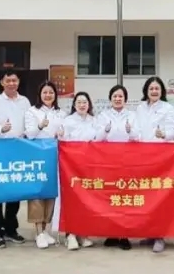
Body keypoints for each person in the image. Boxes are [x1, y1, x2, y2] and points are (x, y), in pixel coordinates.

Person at [0, 71, 30, 247]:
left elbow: (29, 122)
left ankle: (11, 229)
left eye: (14, 80)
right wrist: (0, 129)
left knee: (15, 190)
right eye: (8, 80)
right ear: (2, 82)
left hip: (19, 149)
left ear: (19, 82)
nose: (11, 83)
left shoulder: (25, 101)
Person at [135, 76, 174, 253]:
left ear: (162, 91)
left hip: (161, 156)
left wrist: (164, 134)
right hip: (143, 156)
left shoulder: (168, 108)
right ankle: (150, 233)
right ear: (146, 91)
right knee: (146, 196)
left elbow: (172, 131)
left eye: (157, 89)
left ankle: (160, 236)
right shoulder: (140, 108)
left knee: (159, 197)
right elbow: (137, 129)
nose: (154, 91)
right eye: (151, 88)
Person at [59, 91, 103, 251]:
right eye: (79, 102)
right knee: (72, 200)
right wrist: (61, 136)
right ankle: (70, 234)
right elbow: (63, 141)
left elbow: (99, 139)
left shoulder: (94, 121)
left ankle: (83, 234)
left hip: (89, 166)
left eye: (85, 102)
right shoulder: (68, 121)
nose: (82, 105)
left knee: (86, 200)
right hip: (71, 167)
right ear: (74, 104)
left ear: (89, 104)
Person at [24, 80, 64, 249]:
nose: (48, 95)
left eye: (51, 92)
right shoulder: (32, 111)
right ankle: (38, 231)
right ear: (40, 94)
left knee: (51, 192)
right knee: (37, 192)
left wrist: (61, 133)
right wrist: (40, 125)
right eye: (45, 92)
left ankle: (46, 229)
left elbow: (64, 134)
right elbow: (29, 134)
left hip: (55, 155)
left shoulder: (61, 113)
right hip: (38, 155)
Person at [98, 85, 136, 250]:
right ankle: (112, 233)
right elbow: (97, 138)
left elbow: (139, 136)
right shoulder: (103, 116)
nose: (118, 99)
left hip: (128, 160)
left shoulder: (133, 115)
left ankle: (124, 234)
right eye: (115, 96)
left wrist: (130, 131)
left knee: (125, 196)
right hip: (108, 160)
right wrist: (105, 130)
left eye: (120, 96)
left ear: (125, 99)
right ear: (110, 99)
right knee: (110, 196)